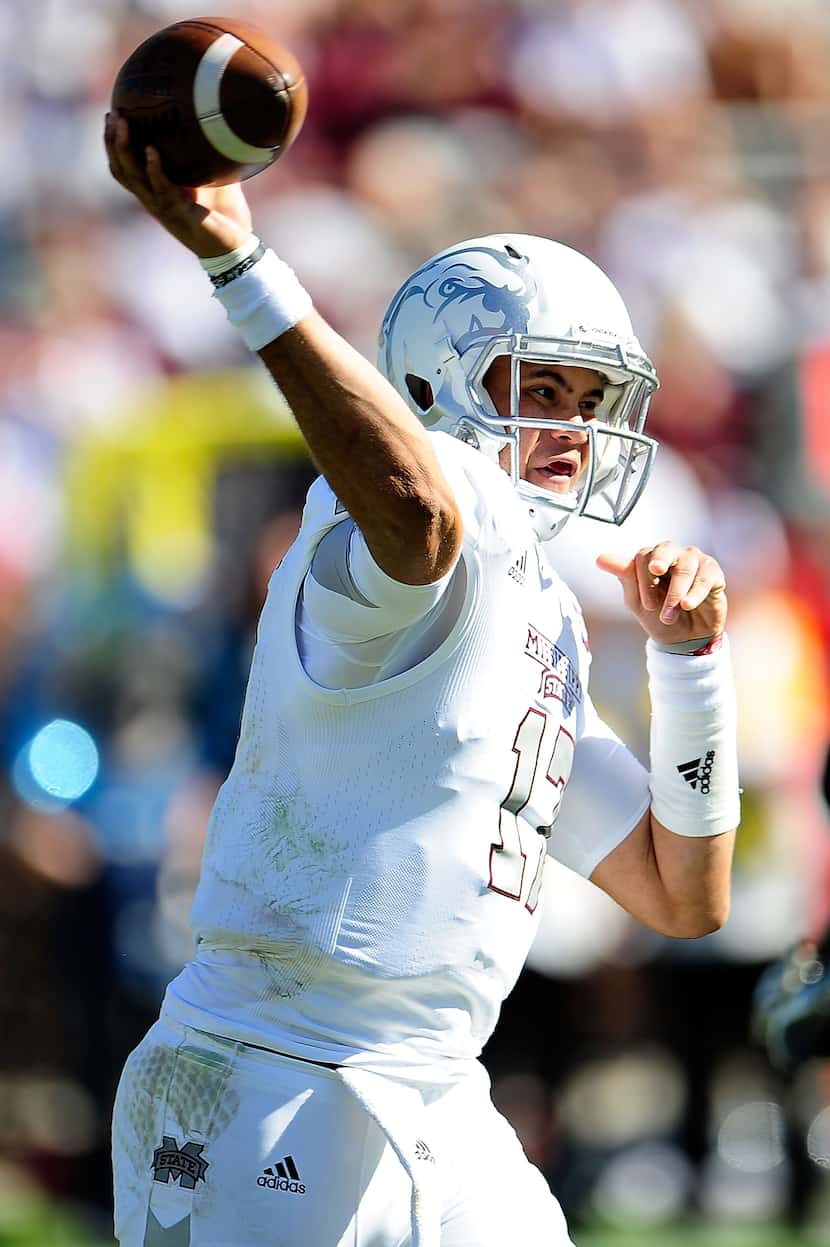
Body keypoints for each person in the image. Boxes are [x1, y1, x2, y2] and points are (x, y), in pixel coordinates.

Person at [104, 113, 740, 1247]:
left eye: (586, 402)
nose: (570, 429)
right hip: (265, 1079)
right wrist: (241, 268)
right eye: (539, 389)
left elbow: (678, 894)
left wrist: (690, 666)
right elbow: (419, 512)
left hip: (438, 1091)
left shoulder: (540, 610)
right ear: (437, 387)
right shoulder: (395, 533)